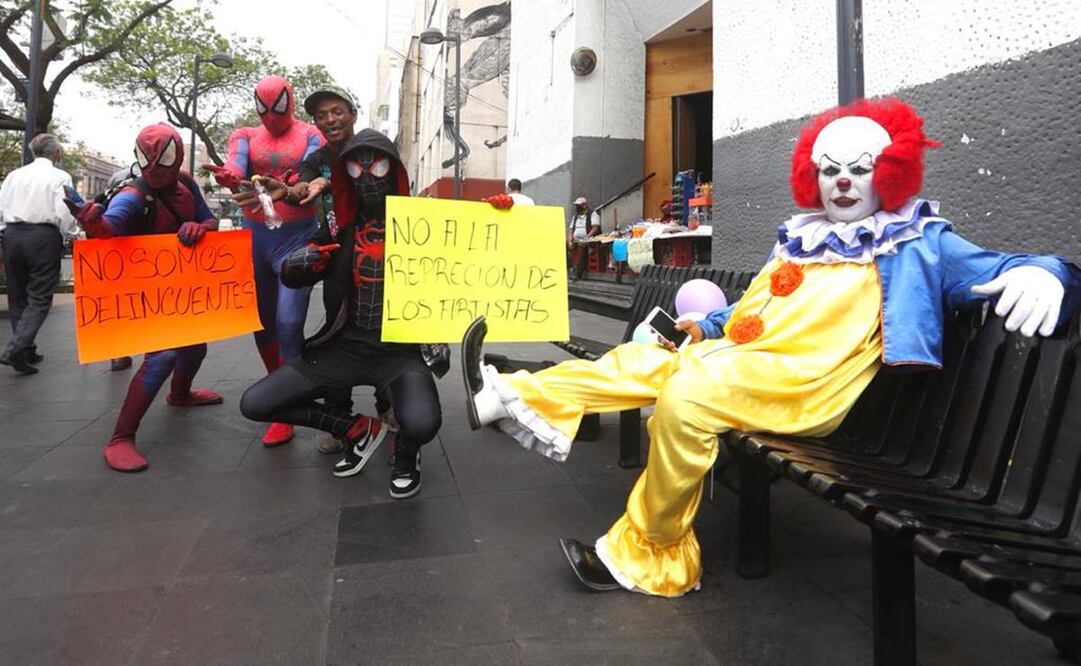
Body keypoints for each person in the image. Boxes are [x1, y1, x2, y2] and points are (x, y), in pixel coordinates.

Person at [459, 98, 1081, 597]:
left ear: (889, 171)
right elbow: (754, 304)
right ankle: (509, 392)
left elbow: (1015, 263)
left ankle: (652, 556)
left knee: (687, 393)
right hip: (747, 364)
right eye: (830, 168)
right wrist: (710, 324)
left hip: (807, 390)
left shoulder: (917, 240)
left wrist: (1049, 273)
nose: (842, 181)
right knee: (650, 358)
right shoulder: (799, 240)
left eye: (860, 168)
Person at [240, 129, 447, 497]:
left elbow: (472, 256)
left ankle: (406, 450)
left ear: (395, 171)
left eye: (378, 167)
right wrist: (302, 262)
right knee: (256, 403)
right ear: (343, 175)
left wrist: (502, 213)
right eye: (355, 170)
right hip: (345, 345)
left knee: (422, 422)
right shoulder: (339, 225)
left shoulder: (426, 225)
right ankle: (355, 430)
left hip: (398, 352)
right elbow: (294, 270)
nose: (367, 178)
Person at [236, 87, 387, 457]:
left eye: (337, 112)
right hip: (338, 260)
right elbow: (305, 183)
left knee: (388, 330)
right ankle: (340, 417)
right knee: (336, 331)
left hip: (382, 259)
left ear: (352, 114)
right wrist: (291, 191)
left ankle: (391, 406)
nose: (331, 119)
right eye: (322, 115)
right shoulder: (318, 157)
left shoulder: (375, 146)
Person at [65, 124, 222, 472]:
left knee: (196, 346)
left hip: (179, 289)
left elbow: (209, 219)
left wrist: (199, 228)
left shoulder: (185, 182)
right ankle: (120, 437)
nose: (153, 166)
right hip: (143, 293)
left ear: (176, 155)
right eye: (147, 158)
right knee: (163, 357)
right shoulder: (132, 196)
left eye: (162, 157)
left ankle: (180, 394)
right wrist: (95, 225)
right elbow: (110, 228)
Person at [205, 75, 325, 448]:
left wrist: (296, 186)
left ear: (290, 101)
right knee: (262, 323)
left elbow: (314, 173)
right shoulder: (244, 135)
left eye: (278, 106)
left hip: (296, 238)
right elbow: (236, 166)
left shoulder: (310, 134)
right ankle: (281, 395)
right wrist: (230, 176)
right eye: (264, 107)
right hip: (256, 240)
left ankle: (292, 391)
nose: (271, 116)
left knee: (289, 322)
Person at [0, 134, 80, 374]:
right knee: (40, 296)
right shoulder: (60, 176)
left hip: (13, 235)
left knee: (18, 295)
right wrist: (73, 234)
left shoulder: (14, 175)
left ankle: (26, 349)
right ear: (56, 153)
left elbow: (2, 207)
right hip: (43, 238)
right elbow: (63, 211)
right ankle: (15, 348)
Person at [567, 196, 601, 280]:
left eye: (579, 205)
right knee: (563, 246)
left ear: (585, 205)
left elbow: (595, 228)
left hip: (589, 239)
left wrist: (586, 238)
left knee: (582, 246)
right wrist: (570, 241)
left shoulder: (593, 214)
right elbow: (571, 229)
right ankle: (566, 269)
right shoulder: (575, 216)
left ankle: (577, 273)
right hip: (576, 239)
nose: (577, 207)